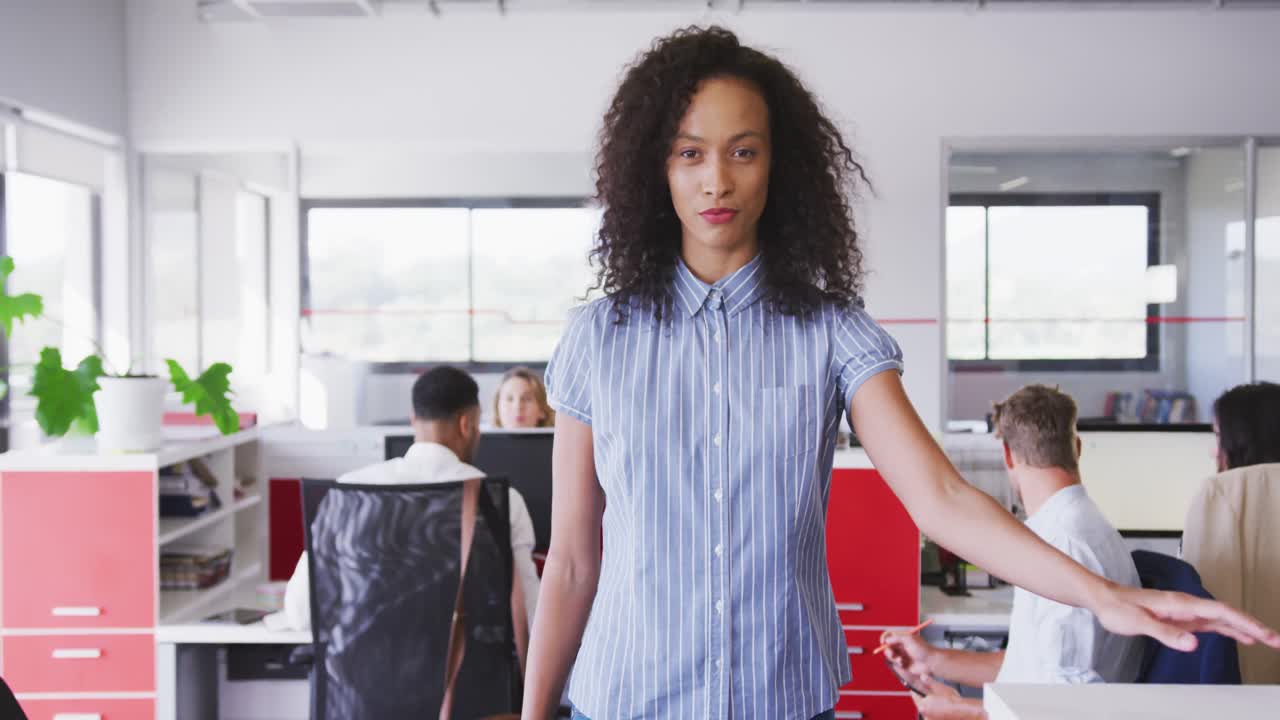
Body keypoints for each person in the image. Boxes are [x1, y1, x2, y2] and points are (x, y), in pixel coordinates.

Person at [520, 25, 1279, 720]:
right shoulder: (599, 337)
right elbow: (577, 562)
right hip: (624, 698)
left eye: (743, 150)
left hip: (782, 701)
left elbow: (942, 498)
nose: (717, 180)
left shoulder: (829, 330)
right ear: (656, 166)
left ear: (777, 166)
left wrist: (1106, 596)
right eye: (690, 152)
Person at [883, 385, 1145, 720]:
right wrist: (931, 659)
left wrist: (964, 711)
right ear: (1077, 448)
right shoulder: (1066, 530)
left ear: (1007, 455)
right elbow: (1029, 668)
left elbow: (1070, 704)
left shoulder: (1065, 545)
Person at [274, 366, 541, 651]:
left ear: (414, 421)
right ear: (467, 424)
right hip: (468, 690)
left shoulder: (350, 490)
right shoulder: (502, 502)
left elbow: (302, 612)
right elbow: (531, 615)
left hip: (363, 690)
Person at [1183, 381, 1280, 683]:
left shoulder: (1222, 490)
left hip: (1249, 678)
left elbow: (1205, 595)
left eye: (1217, 435)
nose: (1215, 449)